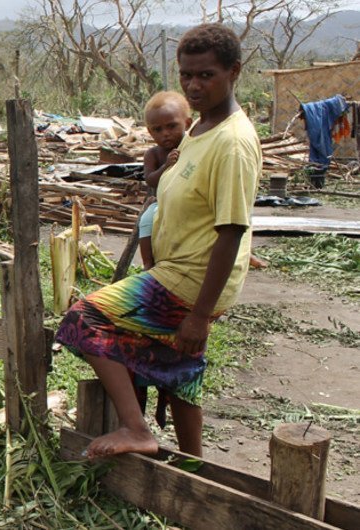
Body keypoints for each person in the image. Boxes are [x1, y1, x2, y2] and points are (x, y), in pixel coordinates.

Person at [55, 23, 260, 460]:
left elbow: (231, 230)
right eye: (186, 74)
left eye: (206, 75)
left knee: (84, 318)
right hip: (179, 270)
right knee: (180, 369)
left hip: (191, 279)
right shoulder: (197, 133)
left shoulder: (233, 142)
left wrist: (200, 316)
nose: (194, 84)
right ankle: (193, 472)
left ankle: (135, 428)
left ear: (234, 72)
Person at [139, 91, 192, 270]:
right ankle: (147, 263)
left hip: (187, 201)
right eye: (158, 130)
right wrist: (166, 166)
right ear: (149, 131)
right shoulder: (153, 154)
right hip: (161, 203)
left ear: (187, 124)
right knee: (146, 220)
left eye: (172, 126)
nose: (166, 134)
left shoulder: (192, 147)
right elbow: (150, 180)